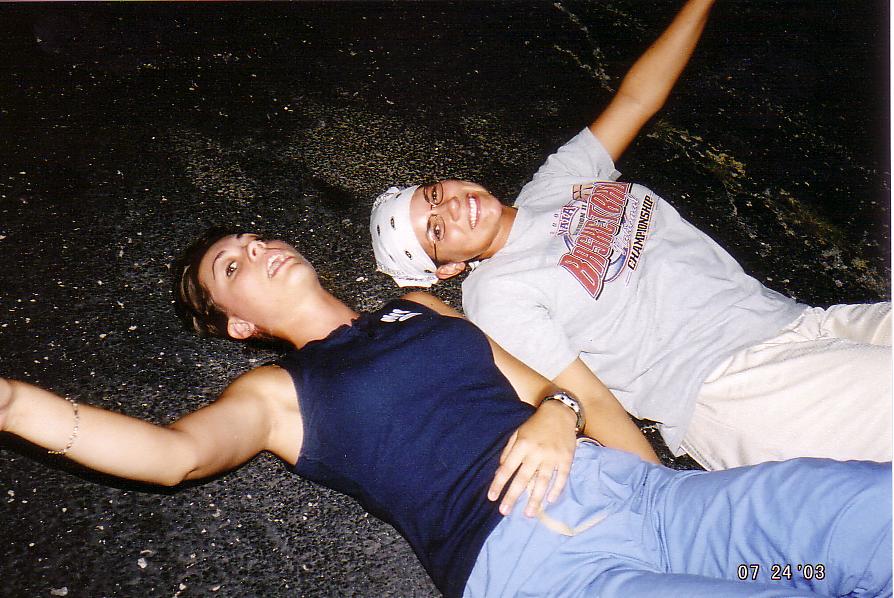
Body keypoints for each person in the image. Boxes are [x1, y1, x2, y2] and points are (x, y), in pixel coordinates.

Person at [1, 228, 891, 597]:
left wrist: (561, 416)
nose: (258, 250)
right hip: (535, 562)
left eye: (254, 239)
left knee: (845, 532)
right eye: (232, 267)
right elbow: (168, 457)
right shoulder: (274, 399)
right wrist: (11, 402)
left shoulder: (420, 311)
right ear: (241, 325)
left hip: (641, 496)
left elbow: (550, 388)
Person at [368, 0, 892, 470]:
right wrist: (663, 506)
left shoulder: (553, 184)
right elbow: (591, 402)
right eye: (437, 230)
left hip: (802, 323)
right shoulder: (494, 295)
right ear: (449, 269)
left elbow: (637, 99)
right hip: (733, 387)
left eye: (436, 194)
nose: (454, 207)